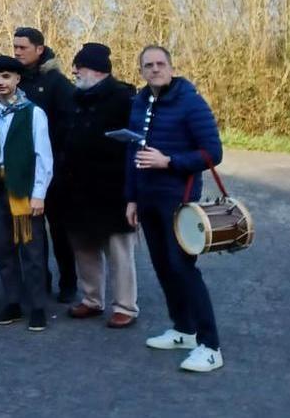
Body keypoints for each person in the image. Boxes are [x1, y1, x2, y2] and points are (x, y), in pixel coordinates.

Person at [127, 45, 225, 372]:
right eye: (148, 65)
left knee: (183, 268)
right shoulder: (140, 102)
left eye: (160, 64)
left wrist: (169, 161)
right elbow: (133, 154)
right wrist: (131, 198)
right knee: (163, 267)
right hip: (148, 199)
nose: (154, 69)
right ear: (141, 71)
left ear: (170, 67)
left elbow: (212, 152)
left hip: (179, 199)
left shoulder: (191, 102)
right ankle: (183, 329)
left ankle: (210, 346)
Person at [57, 43, 139, 329]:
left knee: (119, 250)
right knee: (84, 247)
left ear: (94, 69)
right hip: (77, 187)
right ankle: (92, 299)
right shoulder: (76, 97)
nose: (74, 71)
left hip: (112, 188)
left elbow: (136, 143)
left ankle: (125, 306)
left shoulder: (124, 98)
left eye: (78, 67)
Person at [0, 55, 53, 332]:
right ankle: (12, 301)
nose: (0, 82)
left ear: (17, 79)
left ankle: (37, 306)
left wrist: (39, 193)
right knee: (5, 249)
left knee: (32, 251)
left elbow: (43, 156)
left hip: (24, 190)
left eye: (6, 77)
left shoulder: (32, 113)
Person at [12, 26, 76, 303]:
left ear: (39, 49)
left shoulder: (56, 82)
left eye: (22, 47)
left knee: (60, 230)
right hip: (23, 170)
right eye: (14, 47)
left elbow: (68, 125)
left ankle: (69, 282)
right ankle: (40, 280)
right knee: (30, 233)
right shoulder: (15, 80)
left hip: (55, 171)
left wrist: (59, 162)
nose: (17, 52)